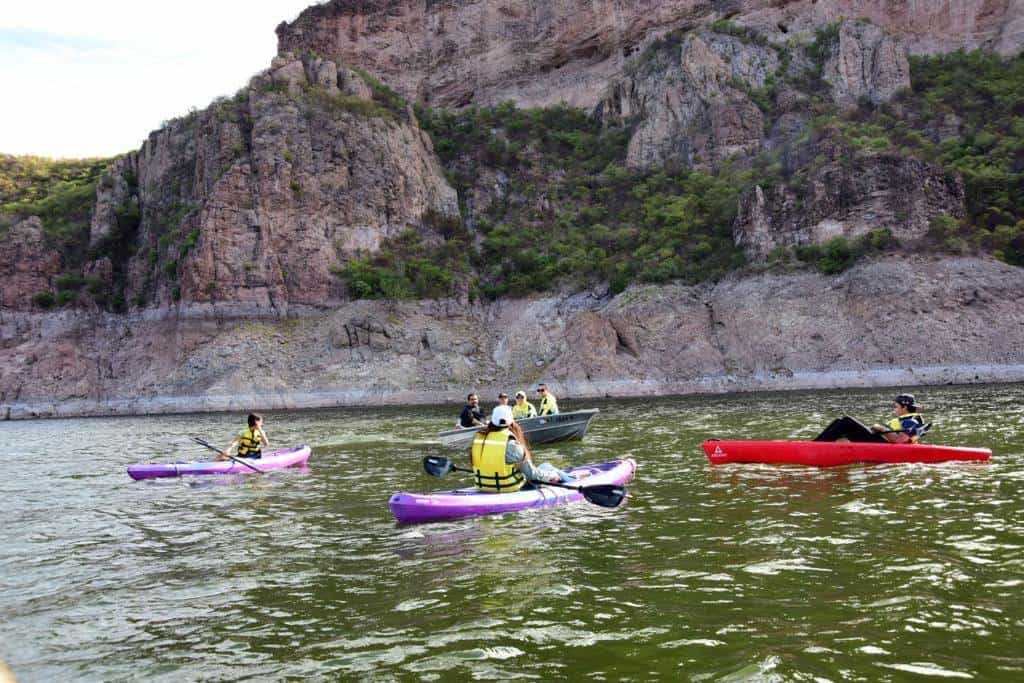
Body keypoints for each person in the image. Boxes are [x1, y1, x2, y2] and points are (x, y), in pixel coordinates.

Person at [470, 406, 575, 492]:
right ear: (511, 422)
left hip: (482, 486)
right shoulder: (511, 444)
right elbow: (532, 475)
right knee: (547, 467)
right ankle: (573, 480)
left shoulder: (479, 438)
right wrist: (552, 475)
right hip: (509, 488)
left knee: (546, 467)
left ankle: (570, 477)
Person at [814, 394, 928, 443]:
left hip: (881, 443)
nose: (895, 410)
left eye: (896, 407)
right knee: (840, 421)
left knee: (846, 421)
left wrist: (881, 429)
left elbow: (900, 440)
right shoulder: (905, 419)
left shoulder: (910, 421)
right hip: (877, 440)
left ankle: (815, 446)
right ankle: (816, 444)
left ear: (904, 408)